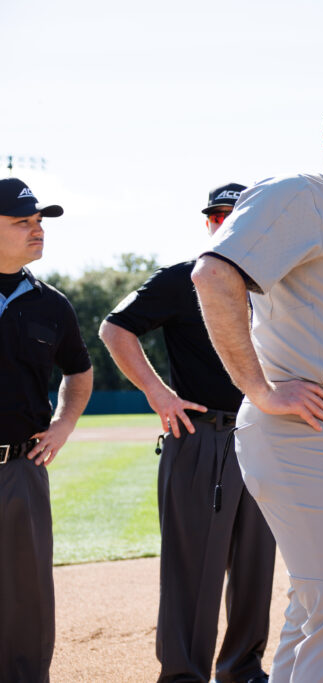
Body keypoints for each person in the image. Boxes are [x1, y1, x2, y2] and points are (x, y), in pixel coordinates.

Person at [191, 86, 323, 682]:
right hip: (301, 426)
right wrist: (259, 389)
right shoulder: (300, 195)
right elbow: (213, 273)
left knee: (312, 606)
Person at [99, 183, 276, 683]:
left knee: (255, 568)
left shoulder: (274, 284)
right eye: (218, 216)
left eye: (237, 216)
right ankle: (183, 677)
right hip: (203, 438)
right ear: (209, 224)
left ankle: (243, 670)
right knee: (193, 571)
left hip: (263, 437)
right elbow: (115, 328)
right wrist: (158, 393)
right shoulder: (183, 278)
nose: (226, 224)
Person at [0, 178, 93, 682]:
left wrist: (63, 424)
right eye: (22, 222)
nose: (37, 231)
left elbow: (79, 371)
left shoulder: (51, 304)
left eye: (39, 223)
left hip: (20, 470)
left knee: (26, 593)